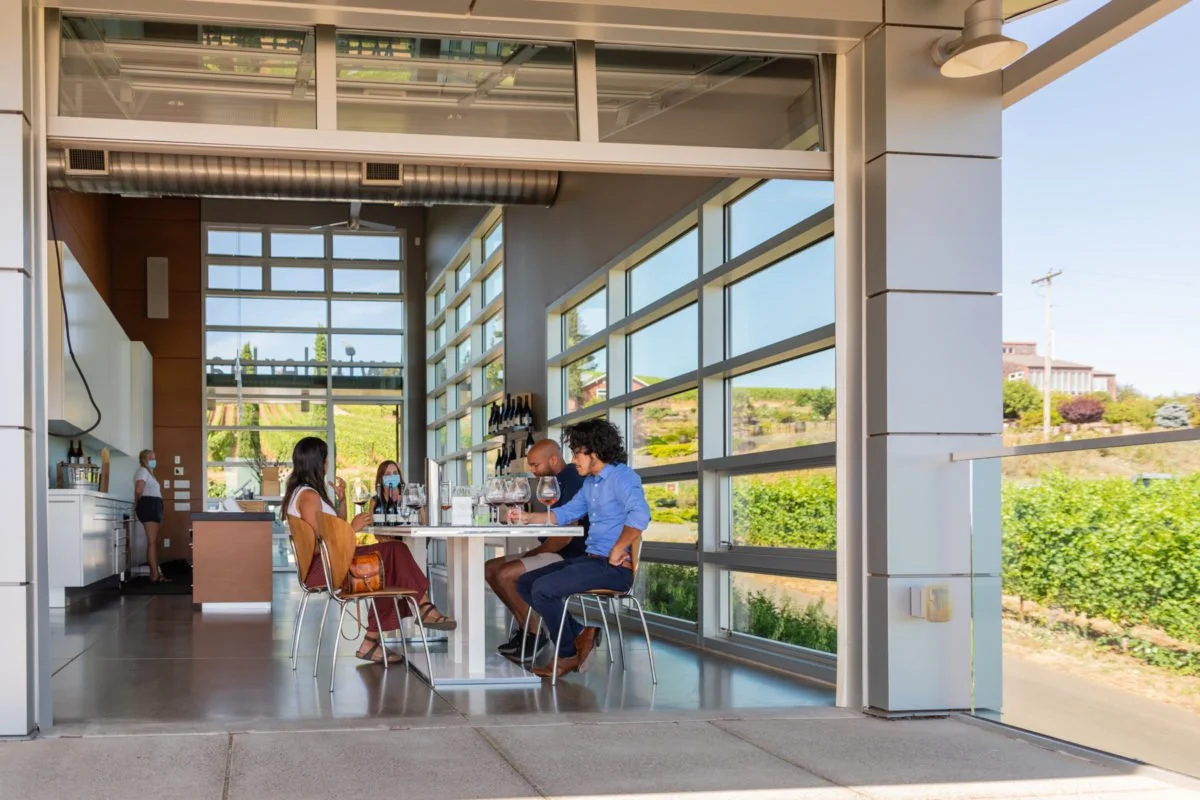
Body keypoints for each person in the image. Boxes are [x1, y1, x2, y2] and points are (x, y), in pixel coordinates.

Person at [284, 437, 456, 665]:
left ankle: (374, 640)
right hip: (328, 567)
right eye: (326, 459)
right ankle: (422, 607)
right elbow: (321, 545)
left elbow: (334, 526)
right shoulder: (308, 497)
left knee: (389, 560)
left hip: (330, 564)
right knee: (394, 552)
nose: (327, 464)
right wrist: (351, 529)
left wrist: (342, 501)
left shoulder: (305, 493)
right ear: (318, 462)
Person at [511, 419, 651, 679]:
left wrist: (620, 547)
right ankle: (579, 633)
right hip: (592, 560)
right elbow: (566, 513)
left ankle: (566, 655)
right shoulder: (591, 483)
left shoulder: (623, 477)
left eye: (576, 453)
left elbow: (641, 516)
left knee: (543, 589)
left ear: (594, 451)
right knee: (525, 583)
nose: (573, 460)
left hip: (614, 569)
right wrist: (529, 518)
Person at [486, 439, 589, 661]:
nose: (532, 471)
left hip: (569, 554)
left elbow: (564, 537)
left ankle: (536, 634)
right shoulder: (554, 480)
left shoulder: (572, 479)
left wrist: (530, 554)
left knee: (505, 573)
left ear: (553, 459)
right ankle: (526, 629)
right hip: (552, 550)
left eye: (536, 465)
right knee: (490, 568)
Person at [133, 449, 165, 582]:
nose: (153, 460)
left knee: (154, 542)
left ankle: (156, 572)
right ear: (144, 459)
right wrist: (139, 504)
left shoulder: (150, 473)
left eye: (154, 457)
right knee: (152, 542)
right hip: (149, 505)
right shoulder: (142, 471)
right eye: (151, 458)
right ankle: (155, 574)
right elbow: (139, 490)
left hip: (154, 505)